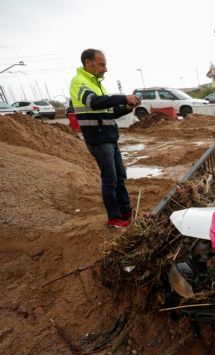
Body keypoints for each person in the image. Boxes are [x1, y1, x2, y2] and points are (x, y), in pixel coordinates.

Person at [69, 49, 141, 228]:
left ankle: (126, 212)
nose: (105, 69)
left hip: (109, 137)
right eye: (101, 64)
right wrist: (123, 97)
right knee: (110, 180)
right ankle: (114, 218)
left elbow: (109, 112)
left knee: (120, 177)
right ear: (88, 63)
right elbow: (94, 102)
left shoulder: (98, 84)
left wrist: (127, 106)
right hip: (99, 140)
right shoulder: (79, 82)